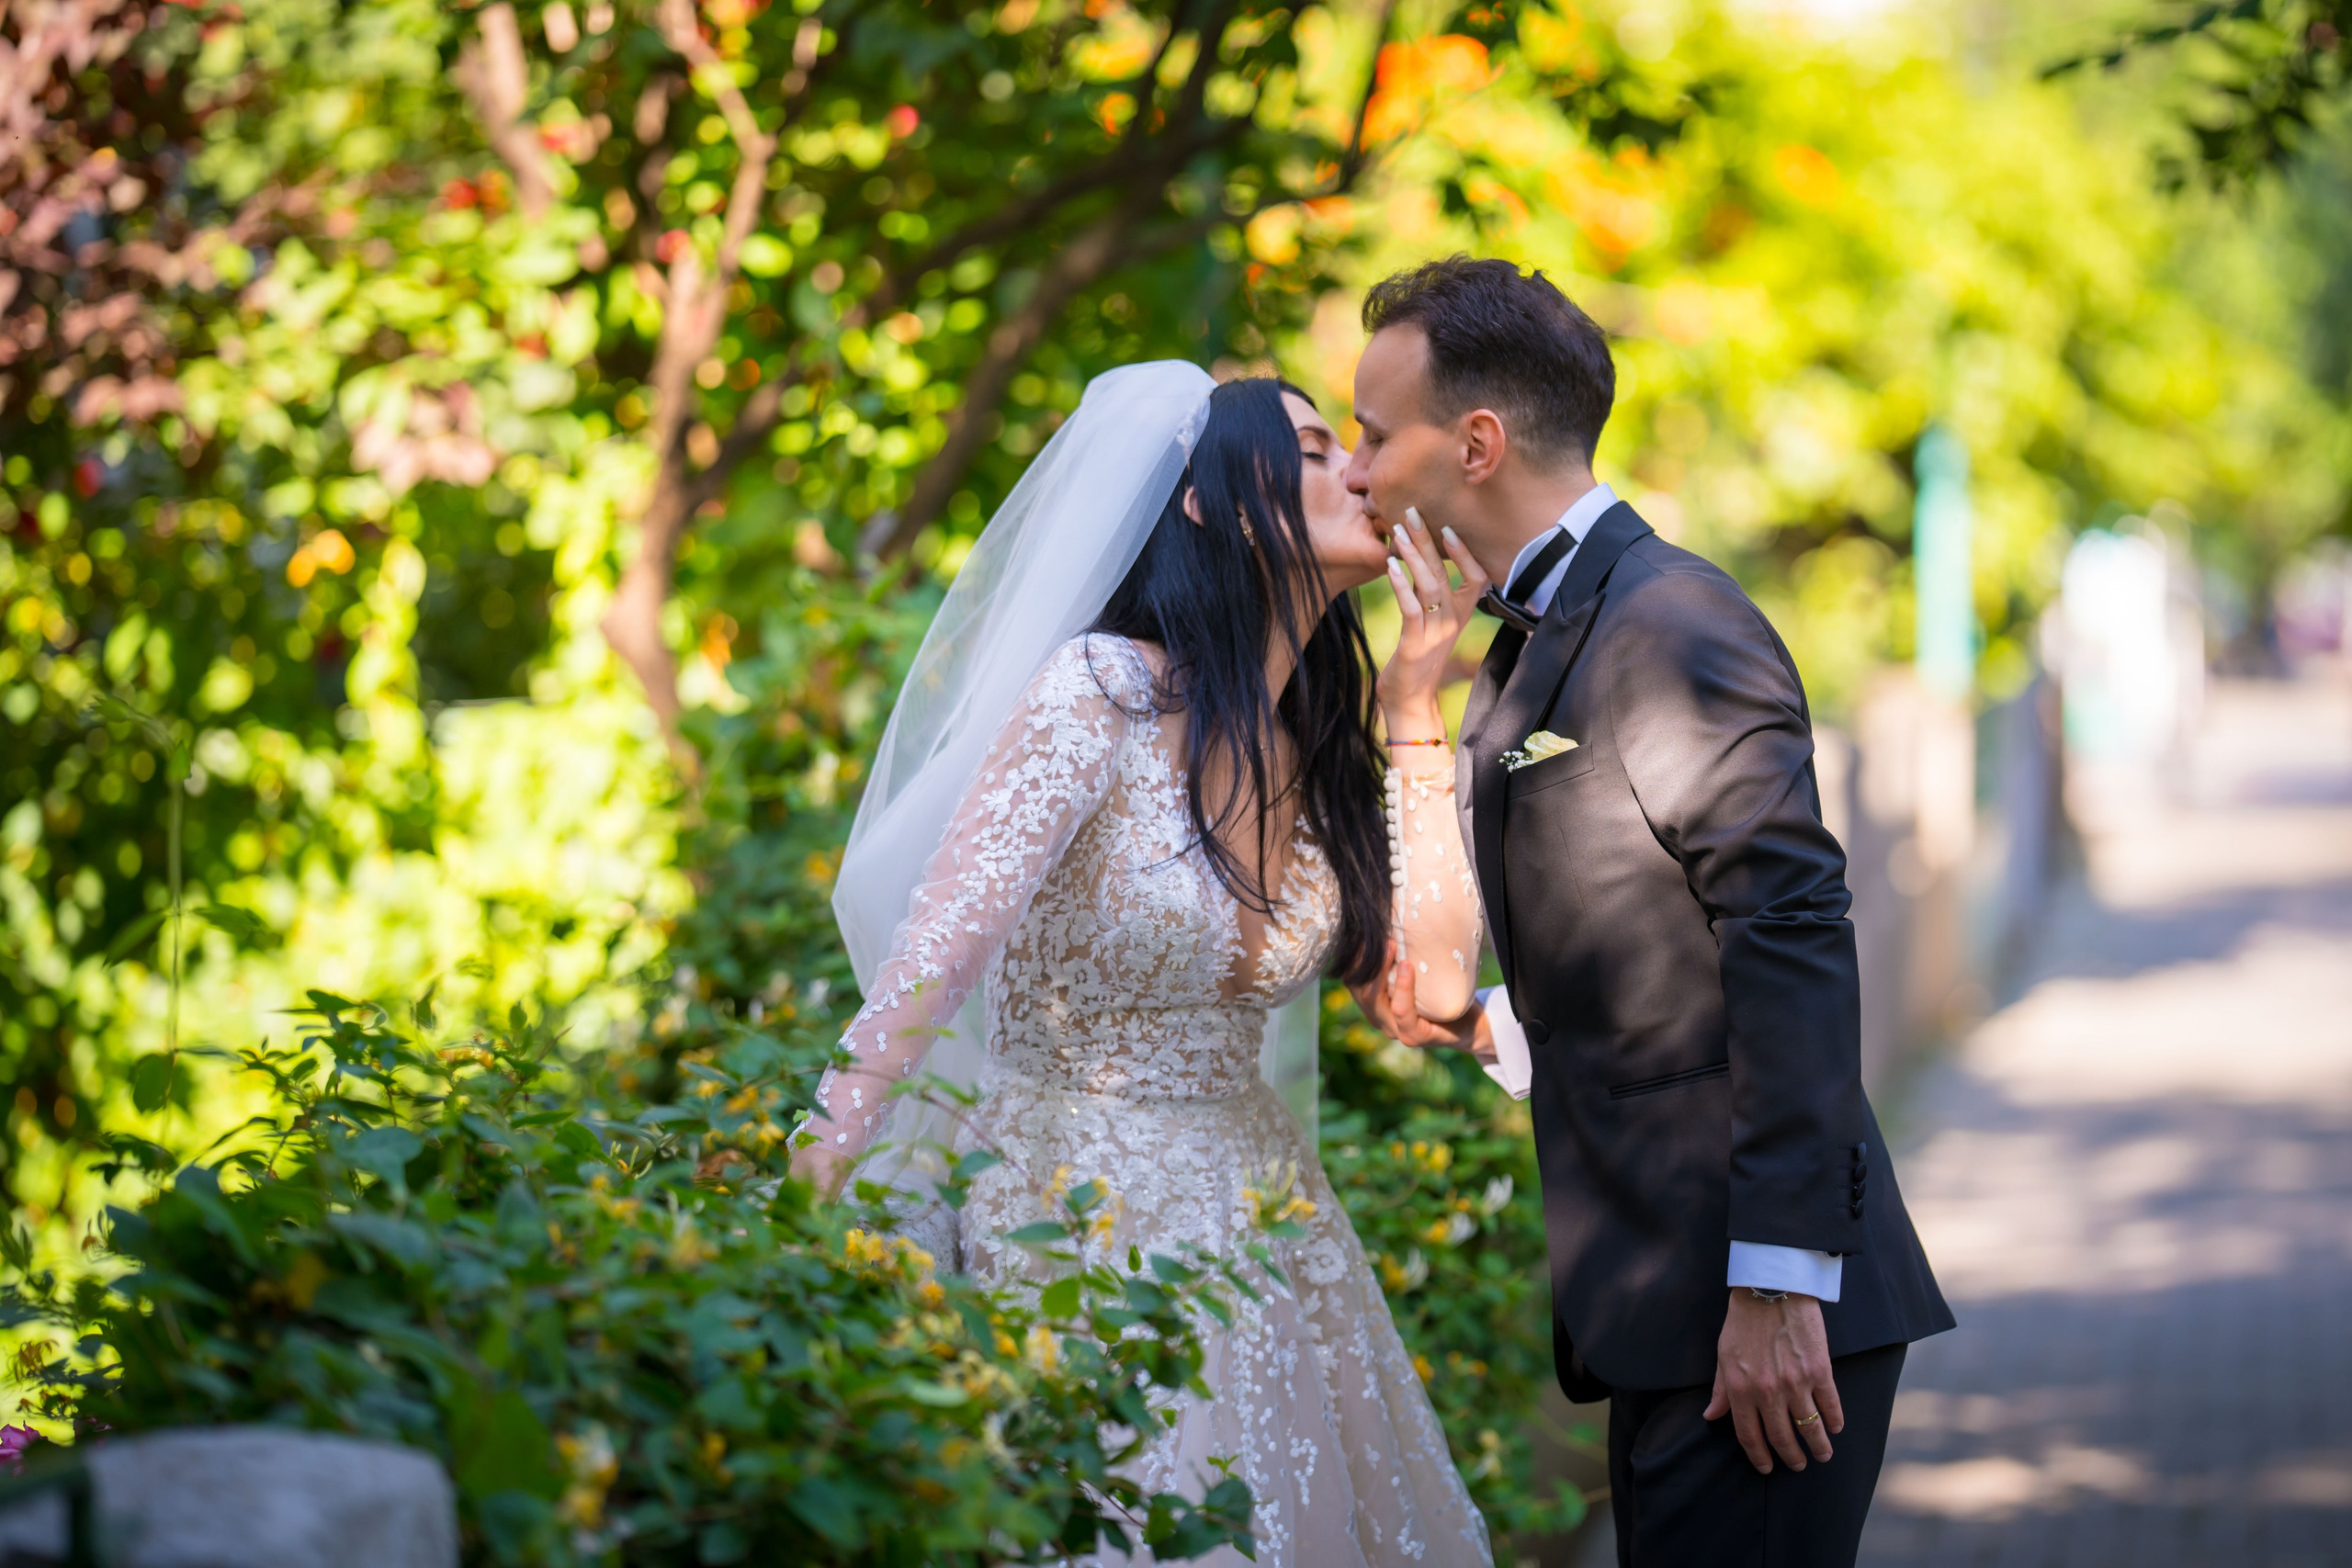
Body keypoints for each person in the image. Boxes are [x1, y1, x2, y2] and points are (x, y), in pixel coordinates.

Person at [791, 364, 1494, 1568]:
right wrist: (811, 1190)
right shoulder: (1095, 697)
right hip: (1074, 1229)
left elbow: (1429, 990)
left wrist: (1420, 708)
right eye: (1318, 450)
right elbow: (932, 963)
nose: (1360, 474)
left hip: (1275, 1238)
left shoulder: (1316, 733)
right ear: (1211, 504)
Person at [1346, 257, 1953, 1568]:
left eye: (1373, 432)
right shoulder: (1548, 631)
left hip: (1754, 1315)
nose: (1356, 468)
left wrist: (1779, 1281)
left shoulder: (1670, 623)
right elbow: (1655, 947)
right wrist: (1499, 1026)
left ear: (1478, 441)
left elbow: (1790, 934)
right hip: (1667, 1302)